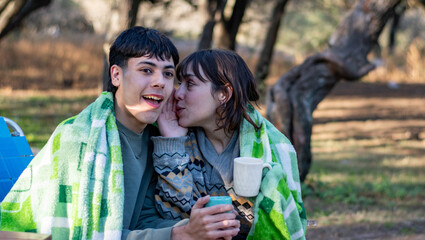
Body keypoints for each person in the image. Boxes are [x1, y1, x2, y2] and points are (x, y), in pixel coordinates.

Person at [0, 27, 239, 240]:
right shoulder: (81, 142)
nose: (160, 82)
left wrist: (195, 229)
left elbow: (143, 220)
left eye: (168, 74)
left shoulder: (153, 140)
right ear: (116, 75)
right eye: (146, 70)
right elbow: (82, 233)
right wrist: (180, 234)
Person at [154, 49, 307, 239]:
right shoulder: (179, 141)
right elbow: (172, 216)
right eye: (180, 83)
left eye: (190, 84)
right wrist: (171, 143)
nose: (177, 93)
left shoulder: (272, 147)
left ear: (224, 94)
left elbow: (285, 221)